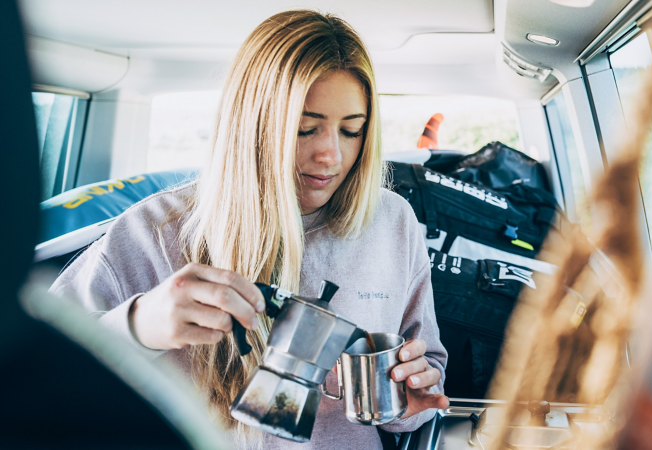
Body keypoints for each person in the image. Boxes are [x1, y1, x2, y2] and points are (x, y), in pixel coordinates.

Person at [50, 10, 448, 449]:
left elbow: (426, 366)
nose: (331, 155)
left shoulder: (392, 223)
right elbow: (38, 372)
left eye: (351, 131)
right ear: (253, 126)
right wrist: (140, 324)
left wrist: (410, 398)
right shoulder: (153, 231)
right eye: (305, 128)